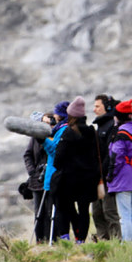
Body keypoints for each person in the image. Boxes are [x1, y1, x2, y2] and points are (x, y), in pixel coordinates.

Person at [50, 96, 100, 242]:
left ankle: (65, 237)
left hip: (69, 181)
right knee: (84, 211)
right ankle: (81, 240)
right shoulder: (92, 131)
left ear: (71, 116)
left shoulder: (68, 133)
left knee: (64, 208)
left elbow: (58, 158)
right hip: (88, 181)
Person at [108, 99, 132, 242]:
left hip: (123, 179)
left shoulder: (121, 134)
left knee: (125, 215)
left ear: (118, 116)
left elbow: (116, 157)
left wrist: (110, 176)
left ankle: (128, 246)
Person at [91, 94, 121, 240]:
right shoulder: (100, 126)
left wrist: (102, 173)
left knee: (109, 212)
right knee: (97, 212)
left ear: (107, 107)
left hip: (107, 178)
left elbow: (111, 154)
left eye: (97, 106)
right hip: (97, 177)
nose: (94, 109)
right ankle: (103, 242)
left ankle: (117, 243)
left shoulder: (111, 126)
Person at [24, 111, 55, 242]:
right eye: (44, 123)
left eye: (49, 123)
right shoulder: (35, 138)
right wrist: (32, 171)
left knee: (50, 212)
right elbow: (28, 155)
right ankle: (40, 240)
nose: (47, 126)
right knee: (39, 213)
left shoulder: (56, 137)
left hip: (52, 179)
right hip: (37, 180)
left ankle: (51, 239)